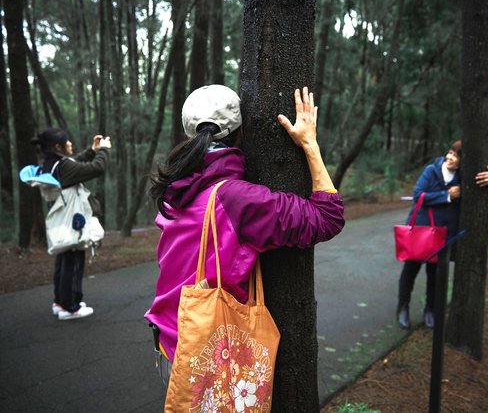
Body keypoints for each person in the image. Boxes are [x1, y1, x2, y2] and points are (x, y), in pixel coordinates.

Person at [145, 85, 344, 378]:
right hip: (204, 354)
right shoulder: (236, 199)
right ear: (242, 133)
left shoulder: (177, 190)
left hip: (168, 338)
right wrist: (309, 145)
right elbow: (328, 217)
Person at [396, 140, 488, 329]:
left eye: (455, 155)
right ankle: (403, 308)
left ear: (464, 161)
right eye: (450, 153)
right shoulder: (432, 170)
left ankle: (430, 310)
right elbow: (418, 194)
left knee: (435, 274)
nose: (450, 158)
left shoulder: (464, 177)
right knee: (410, 269)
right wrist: (446, 196)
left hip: (443, 233)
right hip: (421, 229)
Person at [31, 128, 111, 320]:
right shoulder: (63, 166)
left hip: (61, 219)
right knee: (74, 260)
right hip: (73, 219)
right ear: (58, 147)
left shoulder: (50, 164)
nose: (70, 144)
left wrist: (92, 150)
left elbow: (74, 162)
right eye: (67, 142)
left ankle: (60, 302)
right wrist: (104, 150)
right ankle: (71, 307)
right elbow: (95, 168)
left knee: (63, 259)